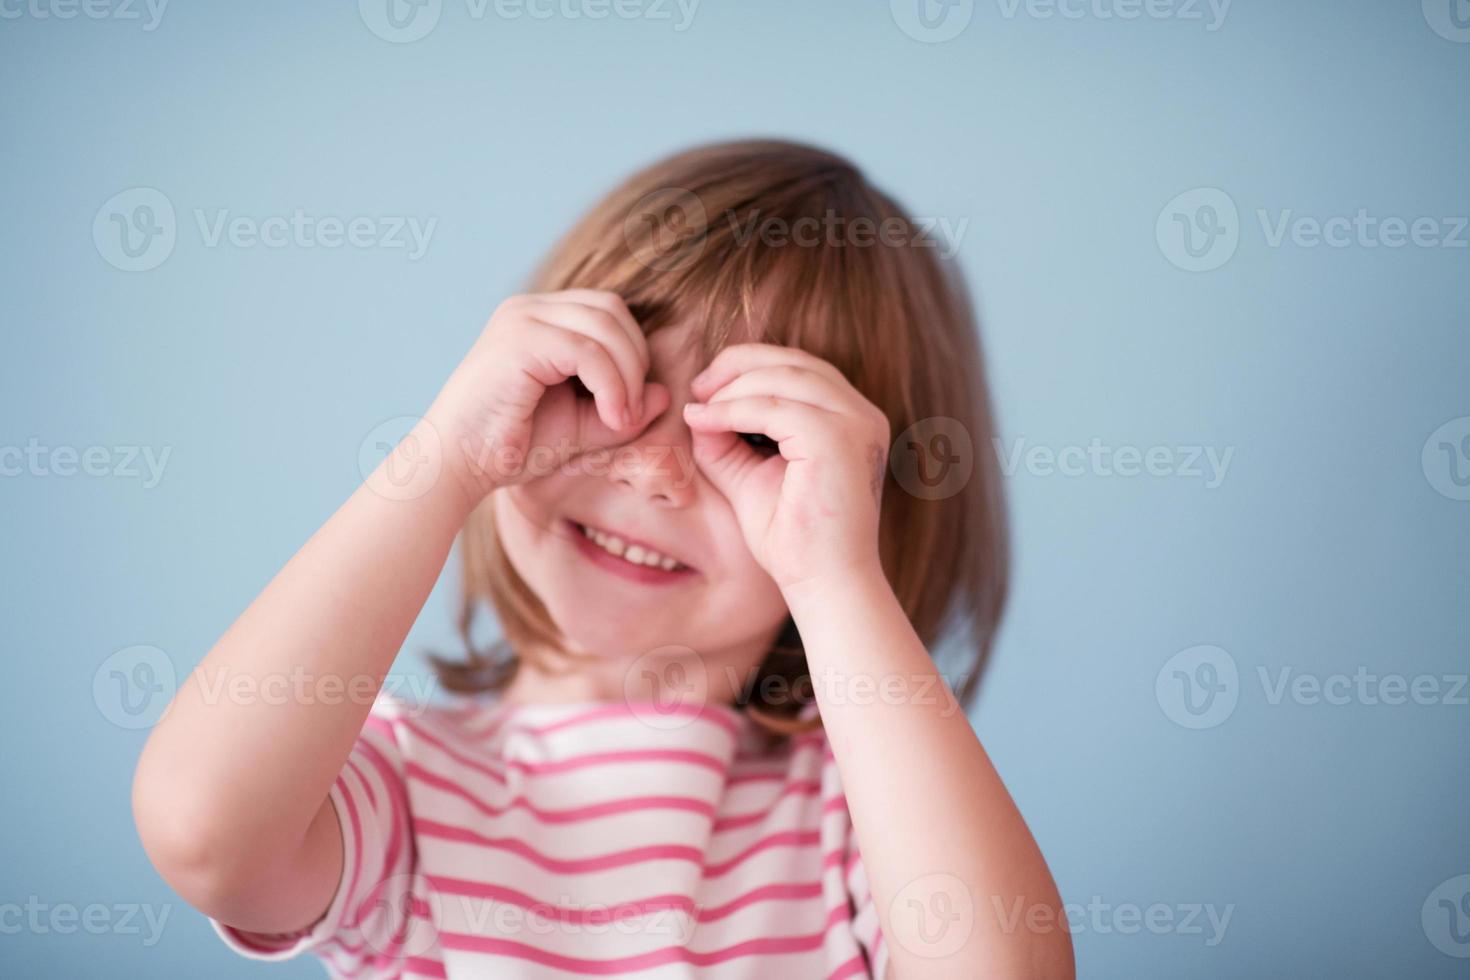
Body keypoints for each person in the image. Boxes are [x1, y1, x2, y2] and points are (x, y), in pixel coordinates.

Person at [132, 139, 1074, 979]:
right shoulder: (403, 792)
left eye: (750, 442)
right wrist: (445, 458)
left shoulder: (864, 818)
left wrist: (837, 582)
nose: (656, 474)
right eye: (598, 389)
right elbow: (205, 834)